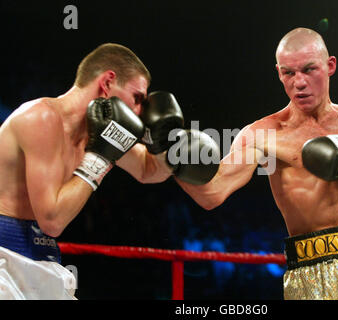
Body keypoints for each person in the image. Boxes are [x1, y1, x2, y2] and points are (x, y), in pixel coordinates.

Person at [176, 28, 338, 300]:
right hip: (304, 270)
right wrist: (170, 158)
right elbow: (212, 193)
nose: (299, 82)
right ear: (278, 73)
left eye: (309, 70)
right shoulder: (263, 134)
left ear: (330, 65)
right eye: (289, 73)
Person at [0, 43, 218, 299]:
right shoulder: (42, 119)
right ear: (107, 82)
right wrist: (100, 158)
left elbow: (148, 170)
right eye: (137, 98)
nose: (139, 112)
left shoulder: (98, 132)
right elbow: (52, 221)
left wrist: (169, 148)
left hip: (42, 259)